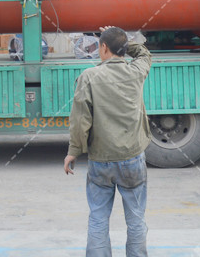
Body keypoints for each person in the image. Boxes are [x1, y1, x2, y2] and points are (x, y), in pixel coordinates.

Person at [64, 27, 152, 257]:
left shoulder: (89, 76)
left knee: (98, 218)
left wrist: (74, 151)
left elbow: (80, 120)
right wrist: (125, 41)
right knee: (136, 218)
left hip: (100, 161)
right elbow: (144, 54)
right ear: (123, 49)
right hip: (132, 158)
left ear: (103, 47)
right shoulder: (136, 72)